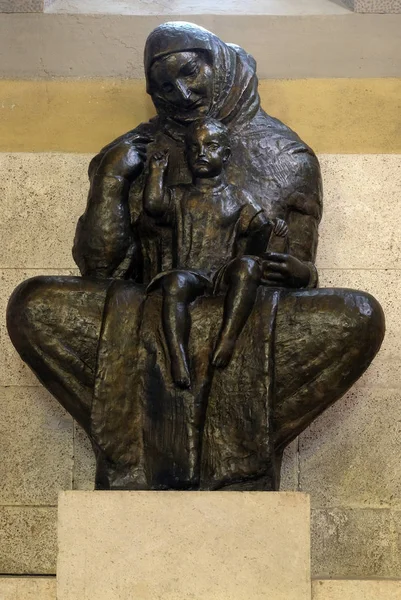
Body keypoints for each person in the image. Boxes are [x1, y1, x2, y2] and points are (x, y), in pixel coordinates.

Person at [7, 22, 384, 491]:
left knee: (358, 314)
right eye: (163, 88)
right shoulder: (137, 151)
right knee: (33, 303)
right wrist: (110, 180)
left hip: (243, 311)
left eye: (189, 74)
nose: (181, 95)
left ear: (219, 67)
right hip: (152, 305)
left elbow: (296, 268)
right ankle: (144, 447)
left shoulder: (286, 153)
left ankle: (238, 457)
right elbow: (100, 270)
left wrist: (292, 270)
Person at [143, 117, 288, 388]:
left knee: (246, 267)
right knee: (175, 283)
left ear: (226, 154)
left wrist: (276, 235)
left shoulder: (239, 197)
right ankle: (177, 357)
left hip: (222, 274)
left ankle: (228, 336)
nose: (201, 153)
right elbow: (153, 206)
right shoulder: (179, 195)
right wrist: (156, 172)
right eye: (194, 147)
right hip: (189, 273)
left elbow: (261, 233)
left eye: (210, 146)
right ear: (185, 154)